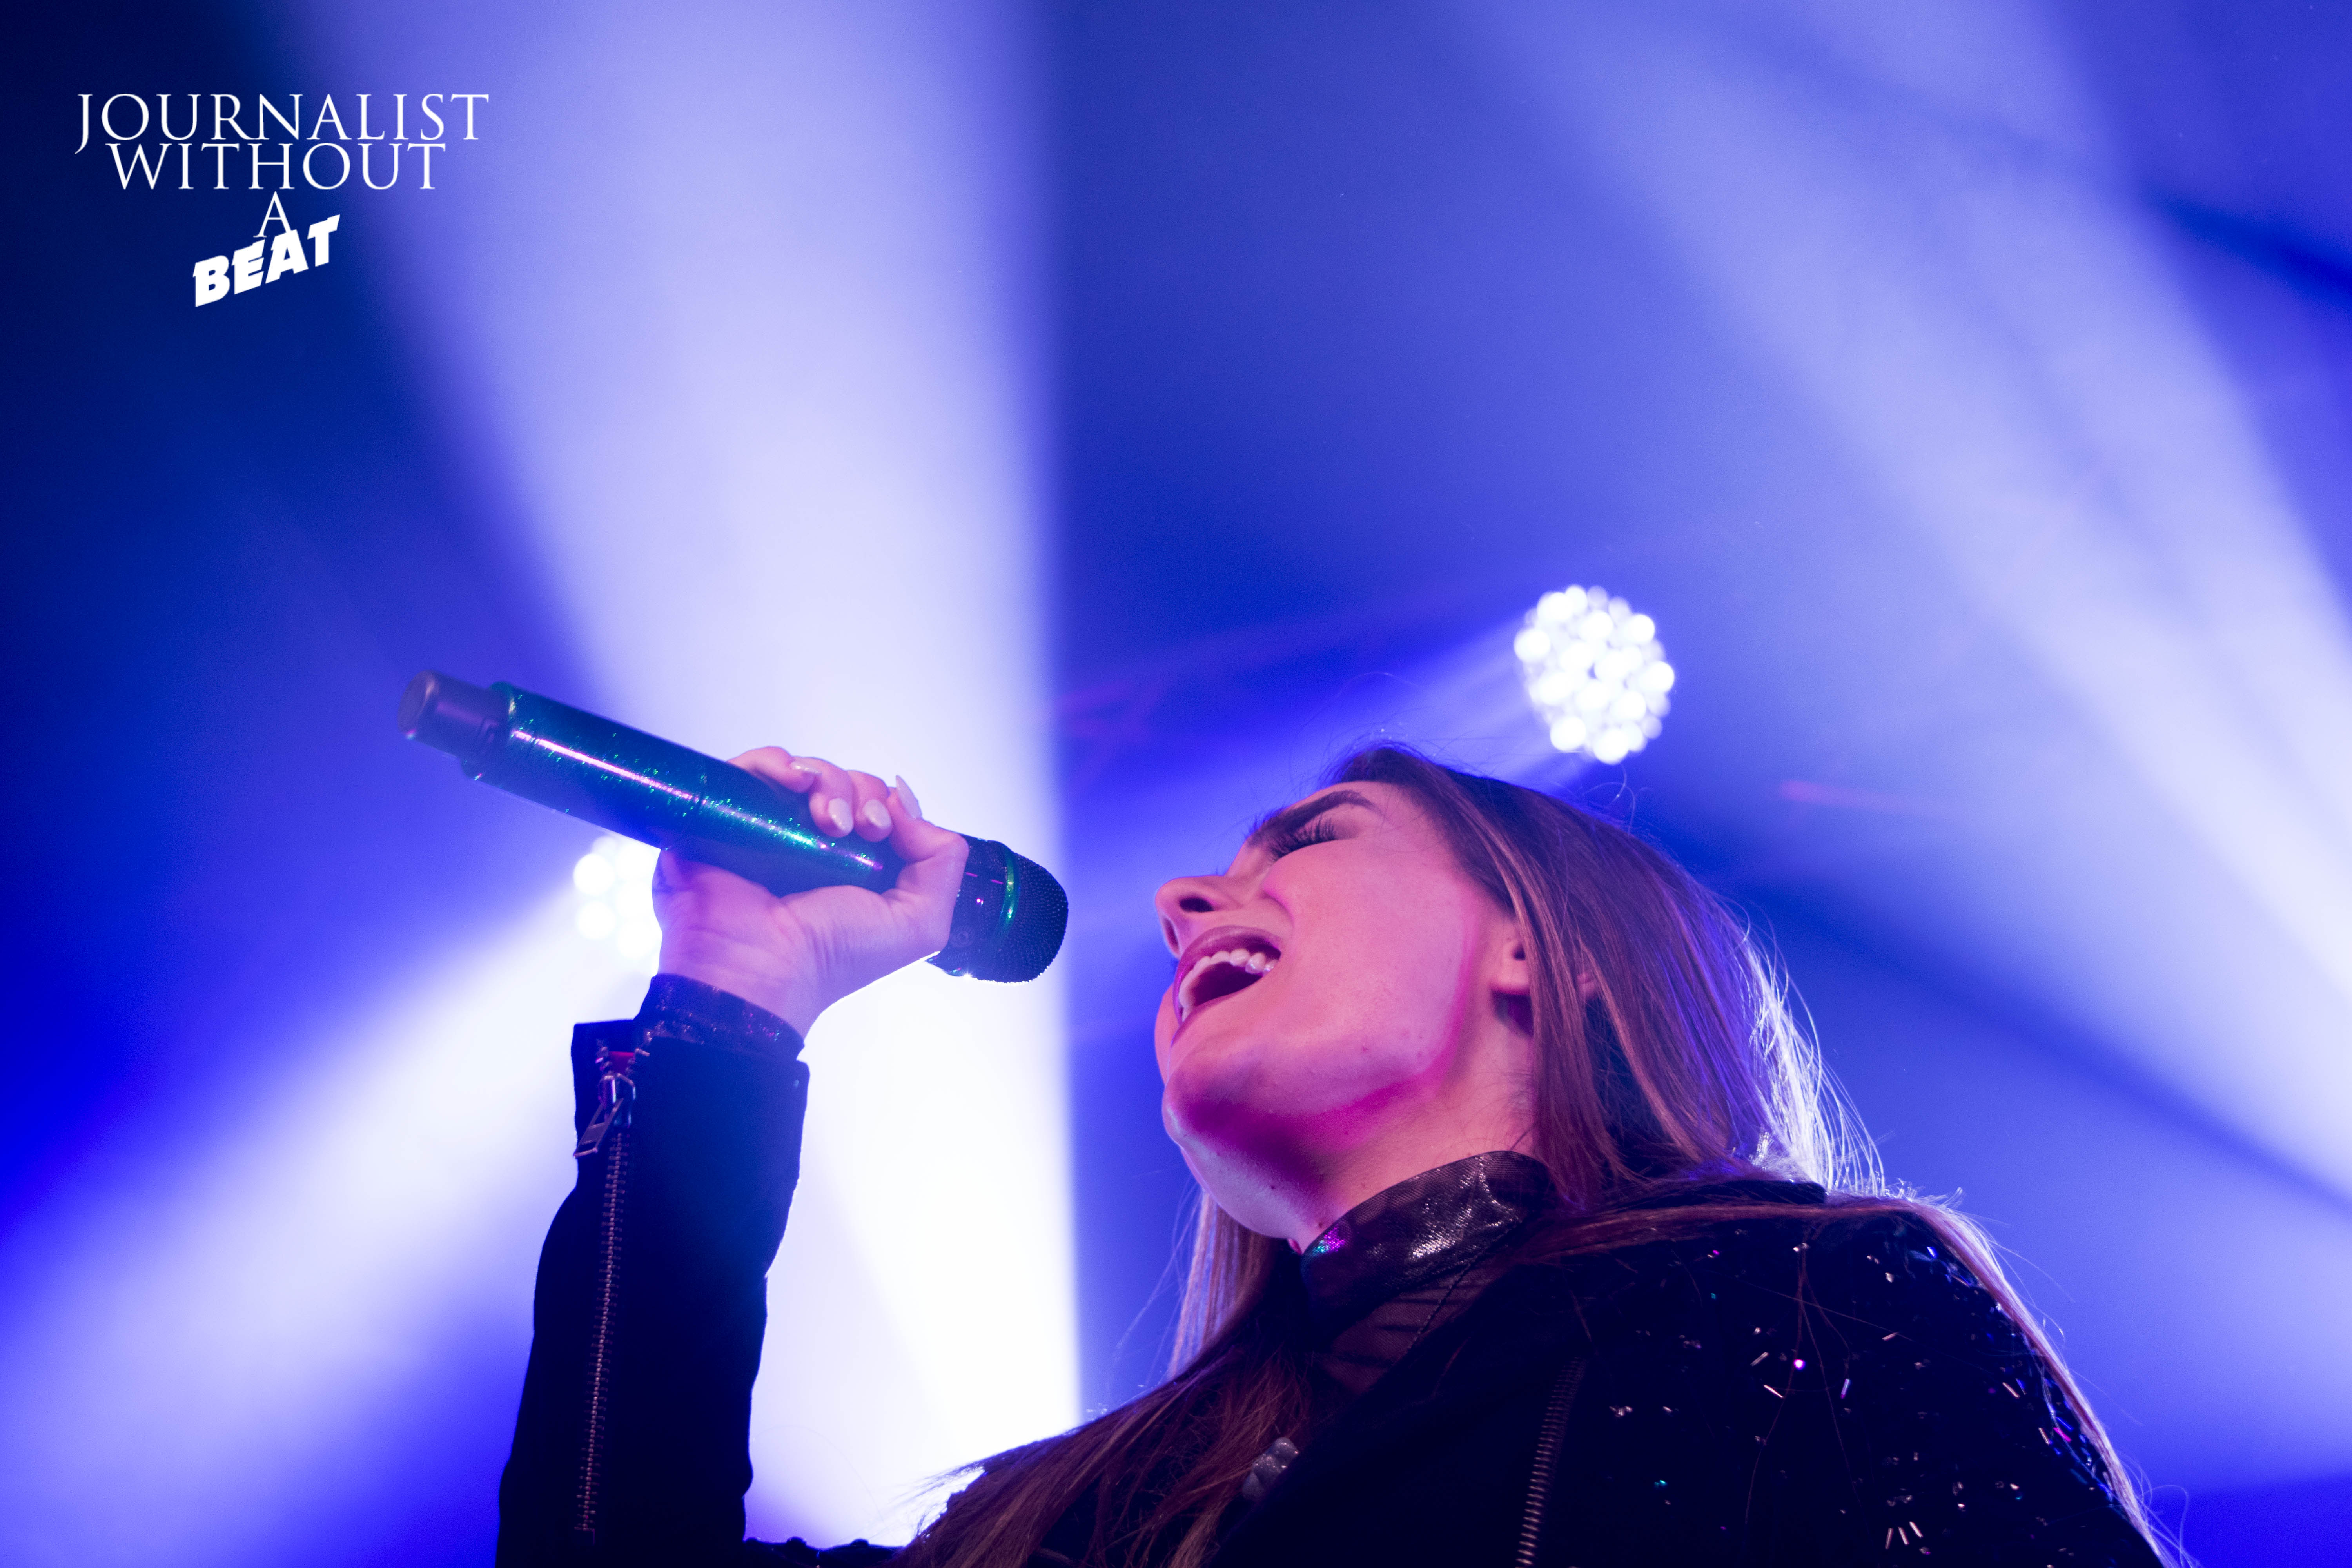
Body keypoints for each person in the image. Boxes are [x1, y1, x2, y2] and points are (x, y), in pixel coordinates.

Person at [495, 745, 2170, 1567]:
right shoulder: (1083, 1520)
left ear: (1531, 945)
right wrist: (730, 999)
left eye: (1307, 838)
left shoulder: (1810, 1306)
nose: (1185, 905)